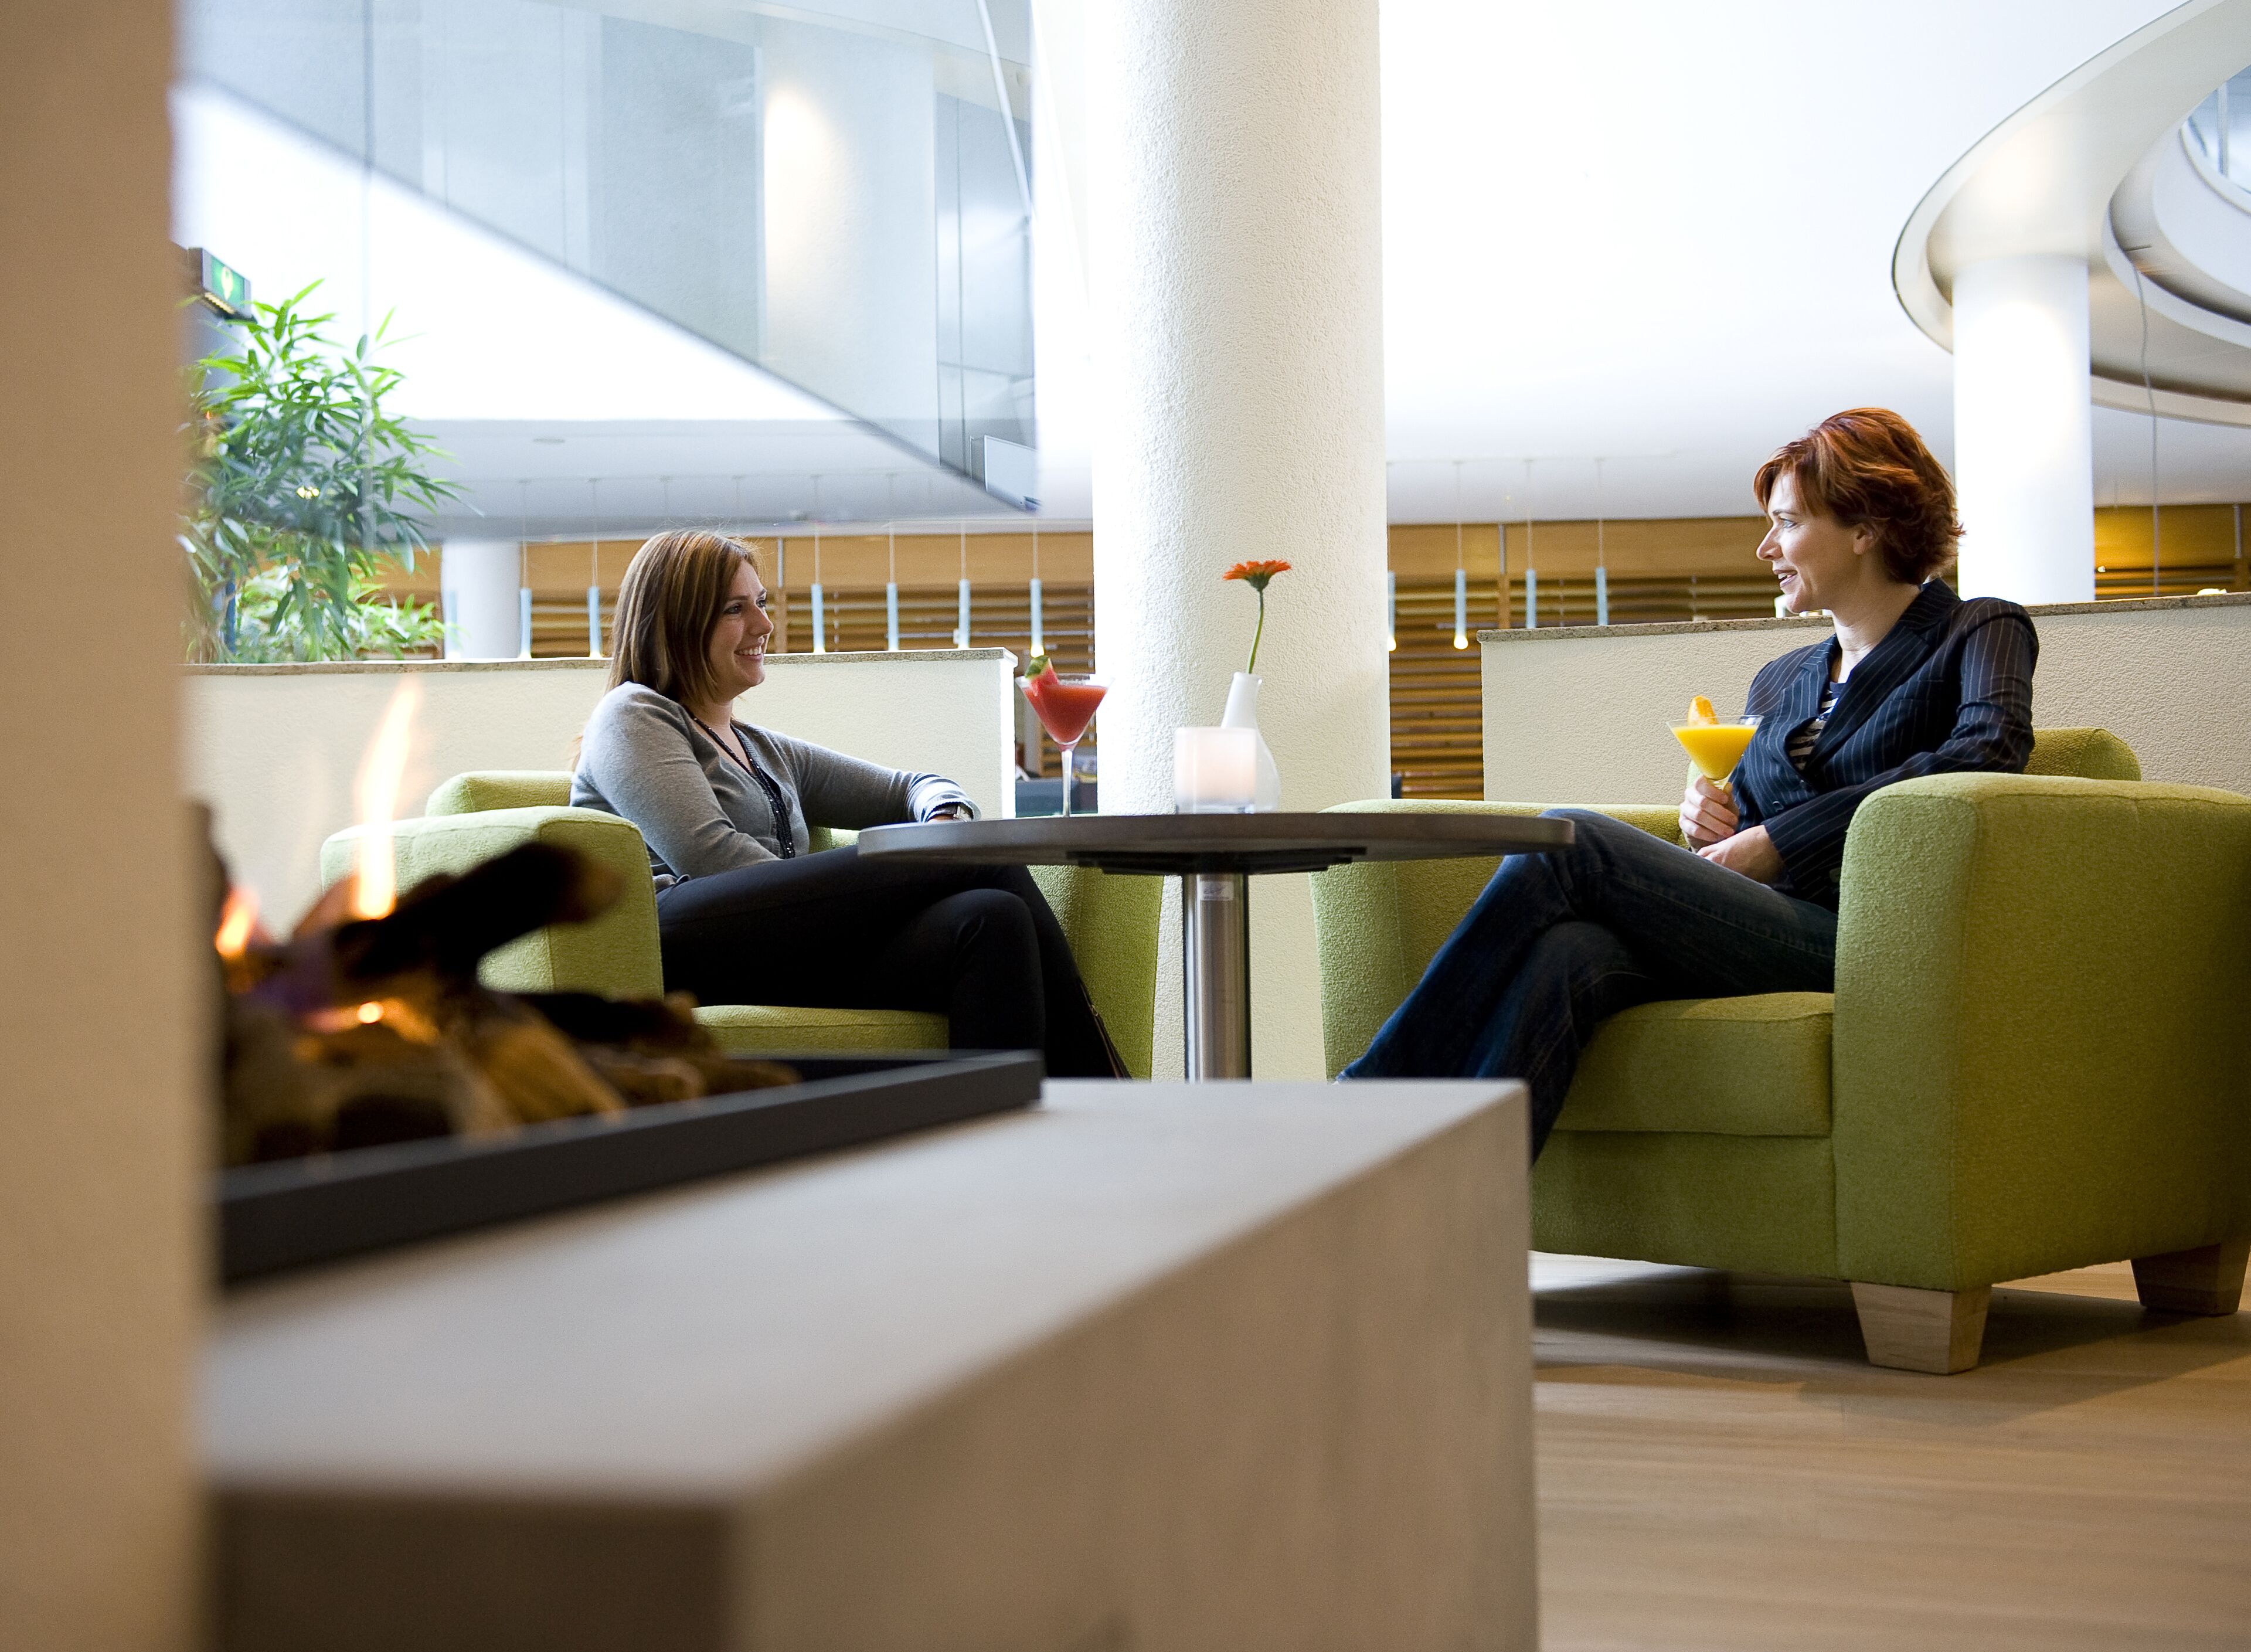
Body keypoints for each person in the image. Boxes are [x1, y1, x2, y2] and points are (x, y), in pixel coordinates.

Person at [1341, 408, 2037, 1154]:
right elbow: (1748, 827)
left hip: (1867, 937)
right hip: (1753, 924)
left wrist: (1777, 840)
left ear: (1866, 525)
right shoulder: (1781, 678)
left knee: (1567, 838)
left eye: (1788, 523)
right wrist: (1717, 821)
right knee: (1568, 953)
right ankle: (1439, 1222)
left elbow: (1986, 751)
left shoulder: (1979, 629)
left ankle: (1364, 1105)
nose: (1766, 546)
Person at [572, 528, 1117, 1076]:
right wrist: (858, 907)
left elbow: (910, 787)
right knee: (977, 856)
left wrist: (943, 815)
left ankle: (998, 1133)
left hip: (781, 945)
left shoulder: (763, 749)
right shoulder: (633, 714)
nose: (764, 626)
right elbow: (712, 858)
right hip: (683, 939)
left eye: (761, 604)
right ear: (677, 623)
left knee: (992, 917)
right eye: (735, 609)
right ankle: (1106, 1090)